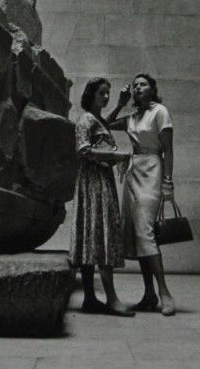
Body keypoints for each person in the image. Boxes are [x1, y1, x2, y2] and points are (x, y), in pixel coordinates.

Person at [108, 73, 176, 316]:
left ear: (152, 88)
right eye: (135, 85)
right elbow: (103, 125)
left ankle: (164, 292)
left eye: (143, 84)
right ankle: (148, 294)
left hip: (153, 169)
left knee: (146, 231)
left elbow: (168, 149)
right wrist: (119, 103)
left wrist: (168, 183)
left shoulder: (160, 112)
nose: (138, 87)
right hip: (133, 172)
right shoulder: (132, 116)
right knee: (138, 234)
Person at [69, 78, 134, 316]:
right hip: (94, 183)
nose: (105, 97)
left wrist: (119, 105)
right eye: (102, 93)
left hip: (96, 181)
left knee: (92, 236)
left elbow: (102, 126)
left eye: (108, 93)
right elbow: (82, 149)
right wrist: (115, 156)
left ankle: (89, 298)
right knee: (102, 235)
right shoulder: (86, 119)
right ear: (91, 95)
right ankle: (112, 299)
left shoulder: (93, 119)